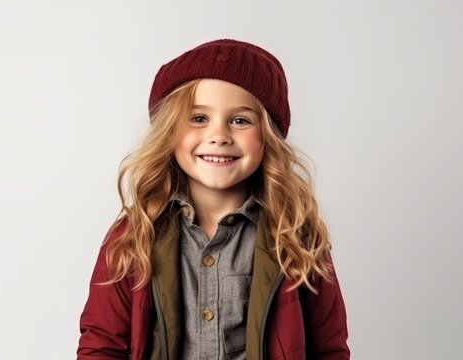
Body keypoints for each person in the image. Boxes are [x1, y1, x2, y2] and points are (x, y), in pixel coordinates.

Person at [77, 38, 350, 360]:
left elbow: (329, 349)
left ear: (268, 136)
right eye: (199, 118)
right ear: (169, 131)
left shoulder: (297, 236)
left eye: (240, 120)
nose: (219, 135)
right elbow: (101, 346)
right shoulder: (133, 236)